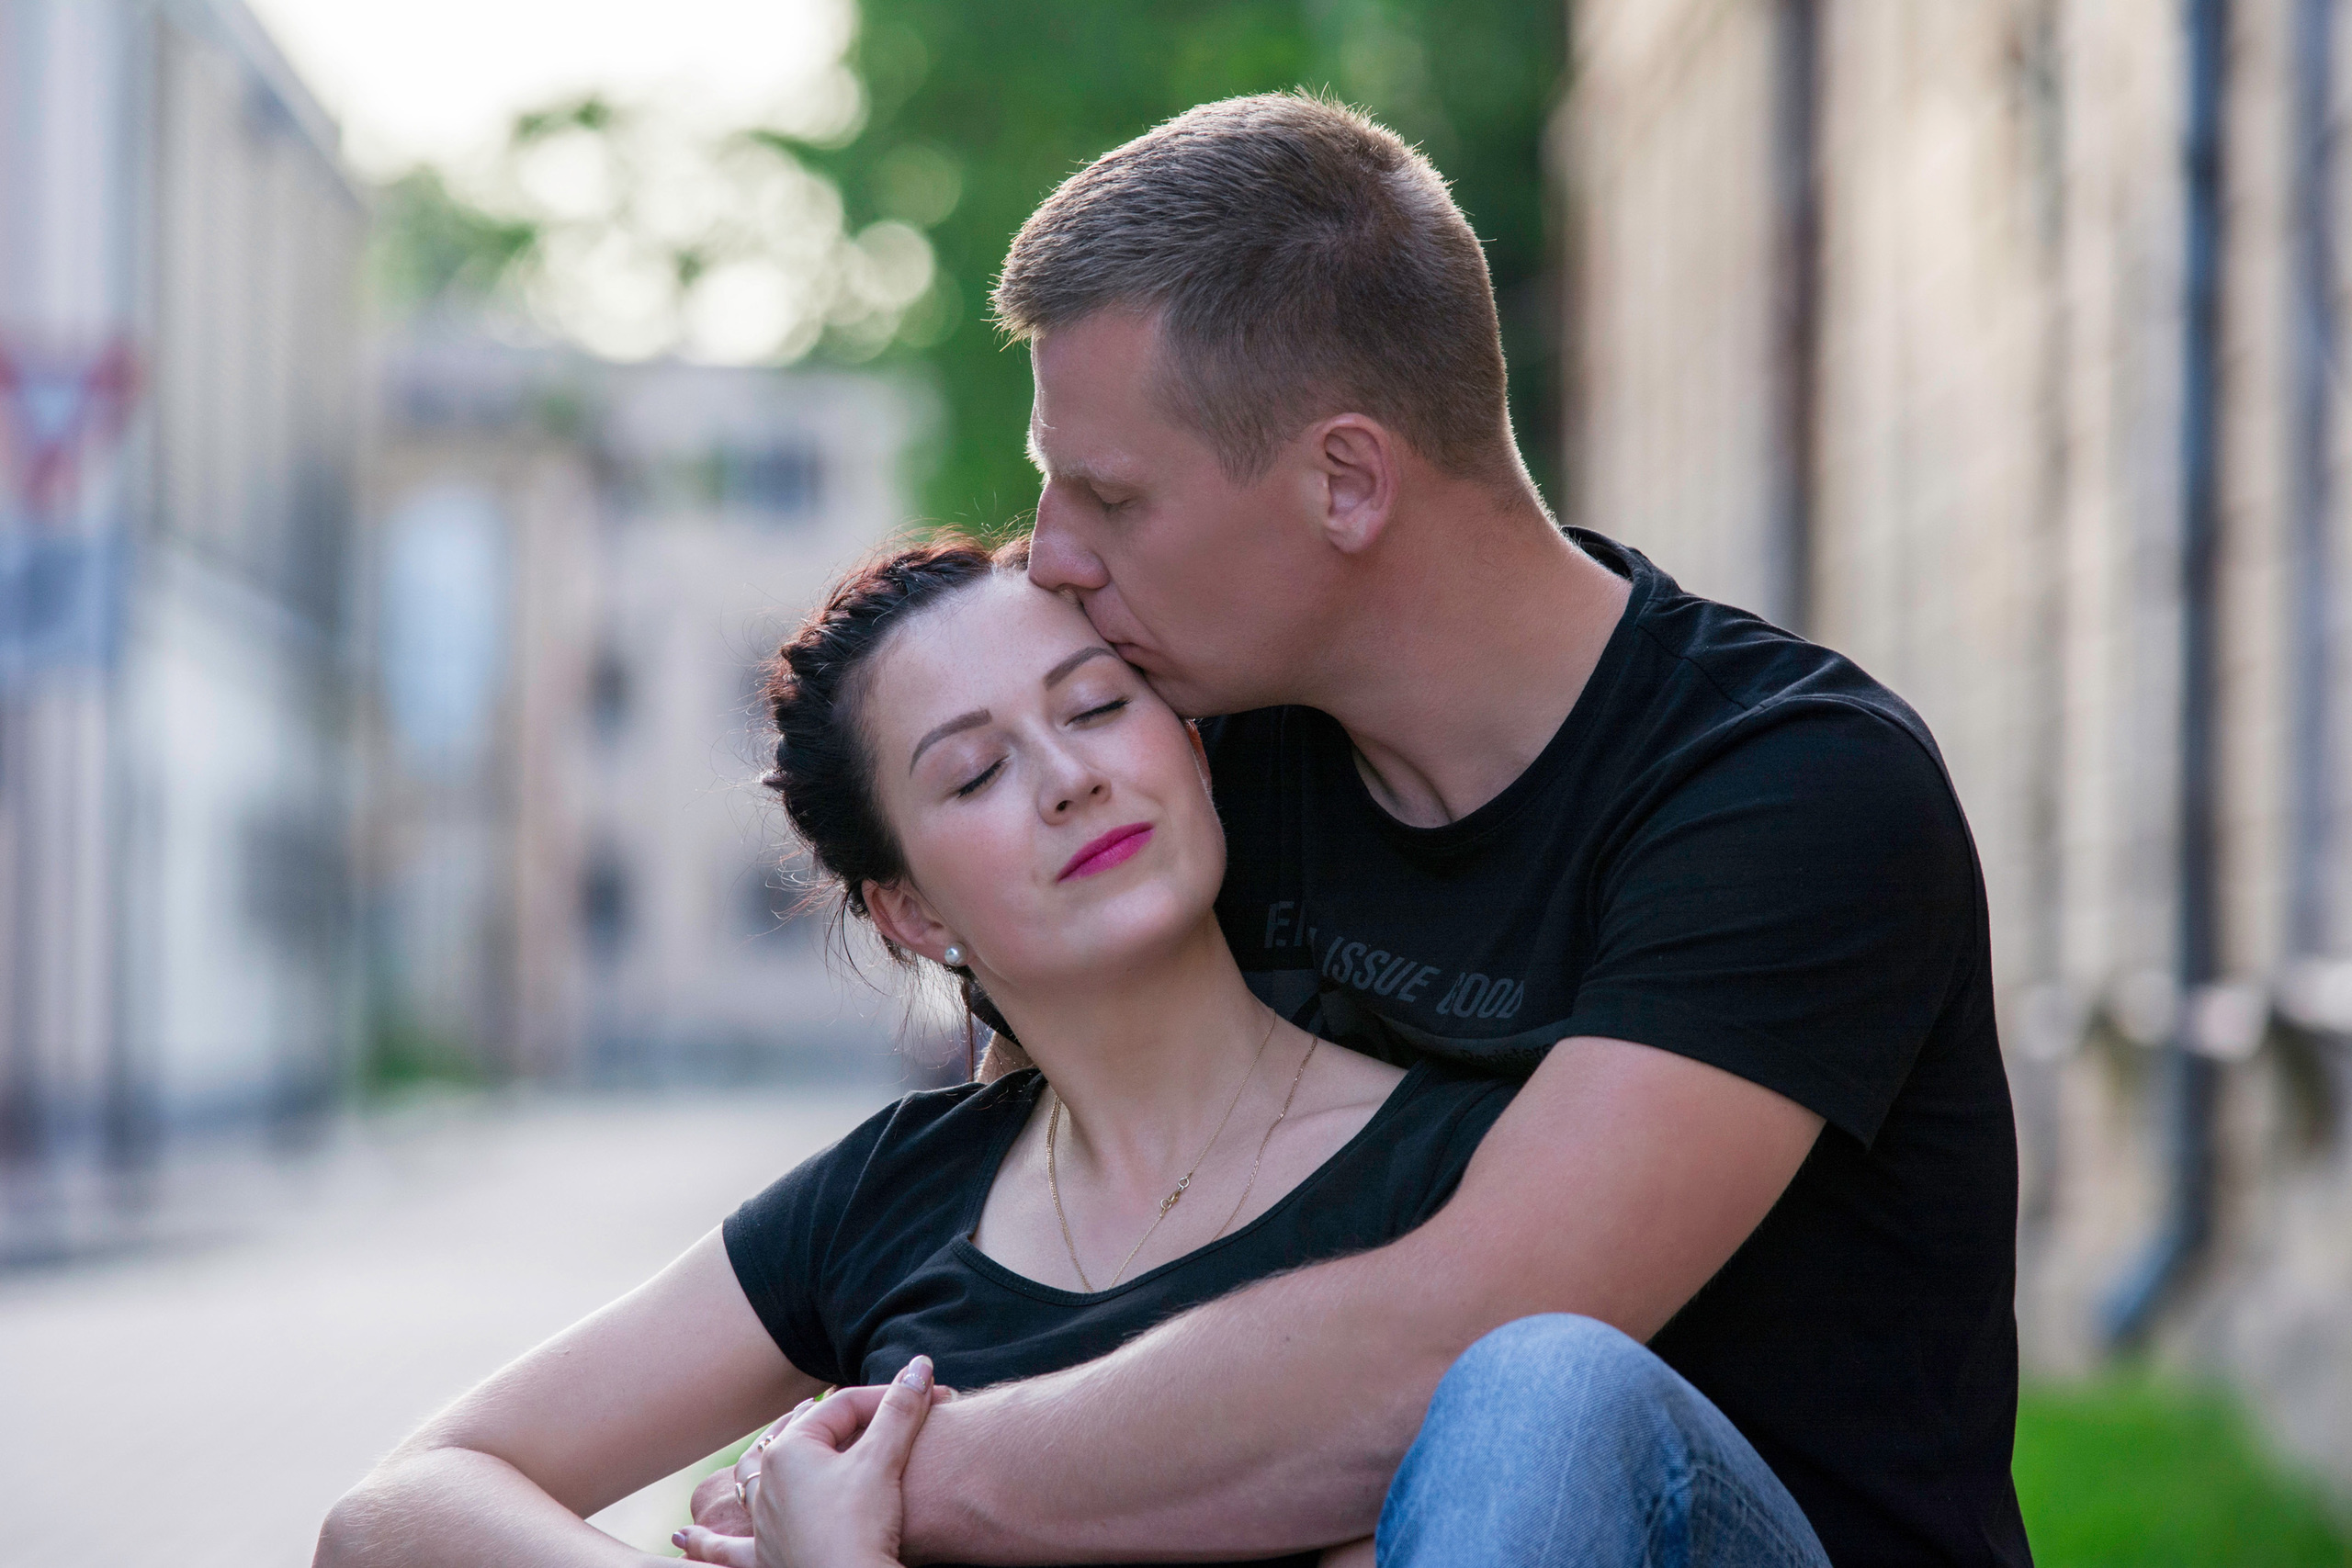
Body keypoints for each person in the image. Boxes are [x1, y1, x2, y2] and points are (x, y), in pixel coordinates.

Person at [691, 92, 2029, 1566]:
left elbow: (1434, 1357)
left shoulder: (1790, 794)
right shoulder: (1212, 774)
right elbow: (1033, 1269)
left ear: (1345, 480)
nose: (1052, 556)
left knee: (1537, 1389)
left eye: (1111, 497)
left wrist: (886, 1478)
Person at [312, 539, 1529, 1568]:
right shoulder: (890, 1196)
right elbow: (393, 1518)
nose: (1070, 780)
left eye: (1098, 707)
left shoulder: (1475, 1176)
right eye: (976, 772)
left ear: (1195, 753)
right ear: (913, 911)